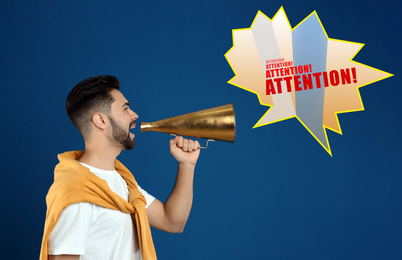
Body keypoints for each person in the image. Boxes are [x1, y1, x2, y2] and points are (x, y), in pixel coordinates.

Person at [40, 75, 200, 260]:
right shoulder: (76, 193)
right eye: (125, 109)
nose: (134, 115)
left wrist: (187, 165)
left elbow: (172, 222)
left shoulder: (123, 180)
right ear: (101, 121)